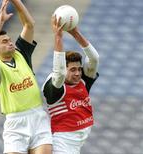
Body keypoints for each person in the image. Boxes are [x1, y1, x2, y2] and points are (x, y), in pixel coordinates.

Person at [0, 0, 52, 154]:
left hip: (38, 117)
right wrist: (0, 21)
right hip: (16, 123)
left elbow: (29, 25)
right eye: (5, 42)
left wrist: (16, 1)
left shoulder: (21, 54)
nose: (11, 43)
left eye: (10, 40)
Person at [42, 16, 99, 154]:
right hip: (62, 141)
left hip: (77, 142)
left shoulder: (82, 81)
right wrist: (58, 38)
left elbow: (94, 58)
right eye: (72, 69)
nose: (78, 73)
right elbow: (60, 73)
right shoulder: (54, 87)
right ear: (64, 68)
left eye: (79, 69)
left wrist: (75, 33)